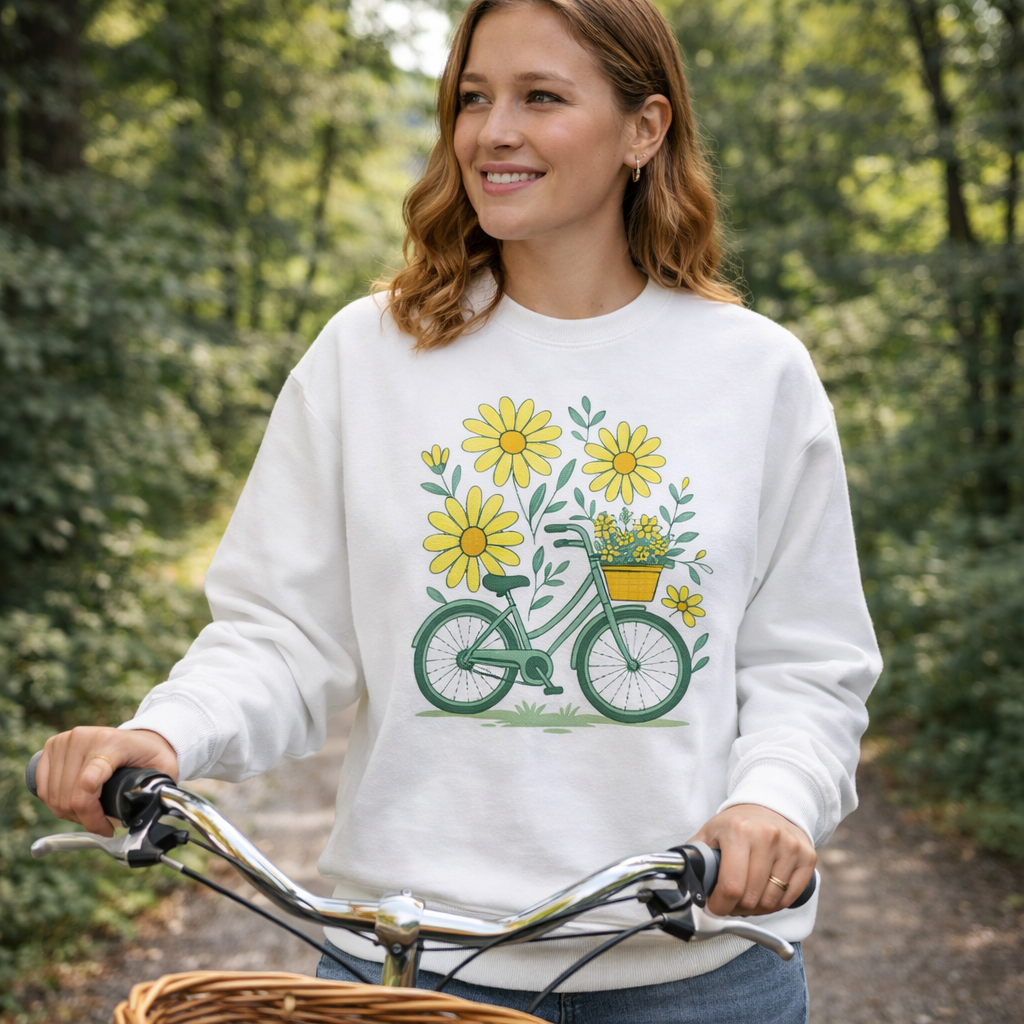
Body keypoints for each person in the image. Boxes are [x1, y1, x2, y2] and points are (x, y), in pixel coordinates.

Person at [34, 0, 881, 1020]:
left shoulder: (754, 374)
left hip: (697, 974)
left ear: (643, 131)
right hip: (402, 969)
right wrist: (165, 732)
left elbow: (806, 667)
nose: (493, 132)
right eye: (472, 98)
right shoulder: (369, 354)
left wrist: (770, 803)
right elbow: (283, 635)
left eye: (541, 97)